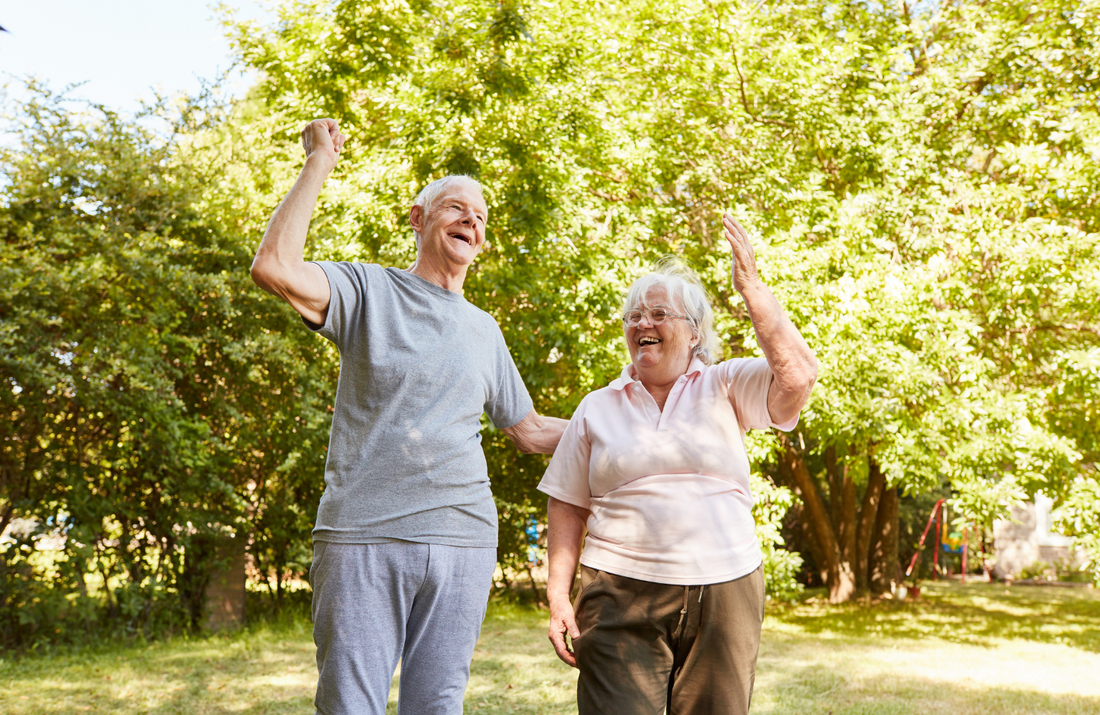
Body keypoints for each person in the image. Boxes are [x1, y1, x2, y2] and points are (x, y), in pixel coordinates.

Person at [250, 118, 567, 715]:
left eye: (479, 218)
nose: (471, 221)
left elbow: (528, 431)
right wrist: (320, 160)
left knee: (438, 706)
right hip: (365, 534)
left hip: (465, 540)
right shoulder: (368, 291)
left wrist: (633, 421)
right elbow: (274, 267)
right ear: (417, 218)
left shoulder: (484, 329)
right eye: (455, 208)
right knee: (350, 705)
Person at [539, 215, 818, 715]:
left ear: (693, 334)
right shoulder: (597, 406)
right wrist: (559, 595)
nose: (643, 323)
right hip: (618, 590)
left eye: (659, 313)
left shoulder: (726, 384)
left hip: (725, 587)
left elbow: (797, 377)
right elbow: (566, 504)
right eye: (634, 316)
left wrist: (751, 288)